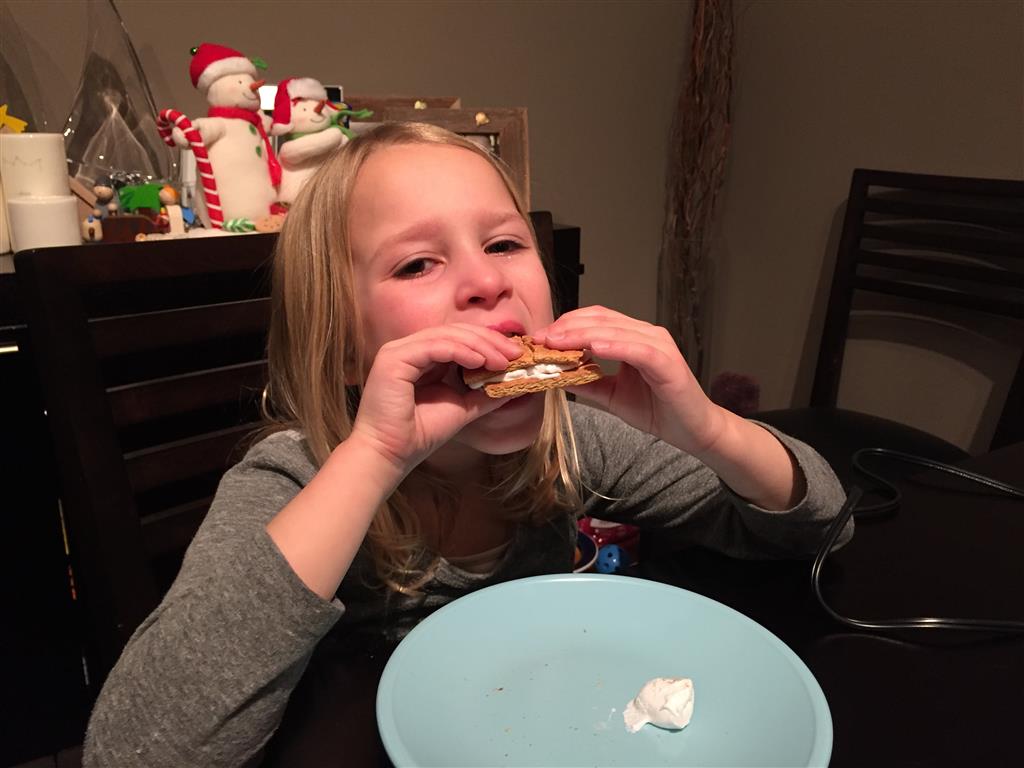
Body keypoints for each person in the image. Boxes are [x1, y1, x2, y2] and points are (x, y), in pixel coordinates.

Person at [83, 122, 852, 766]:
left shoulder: (567, 439)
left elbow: (822, 525)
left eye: (505, 244)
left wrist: (707, 429)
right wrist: (374, 458)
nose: (485, 281)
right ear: (346, 350)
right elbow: (133, 752)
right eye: (418, 262)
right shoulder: (295, 479)